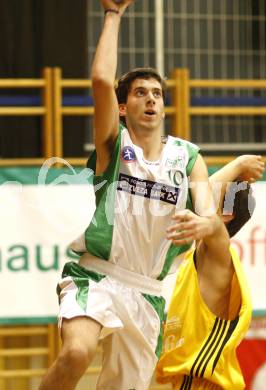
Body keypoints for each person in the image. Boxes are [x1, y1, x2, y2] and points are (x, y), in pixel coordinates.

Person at [39, 1, 220, 389]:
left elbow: (209, 216)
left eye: (157, 93)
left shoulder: (188, 158)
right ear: (123, 107)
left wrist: (201, 223)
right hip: (97, 275)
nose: (151, 99)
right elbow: (102, 82)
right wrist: (113, 15)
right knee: (76, 352)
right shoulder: (114, 145)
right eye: (140, 93)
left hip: (148, 292)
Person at [156, 155, 265, 390]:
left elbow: (207, 207)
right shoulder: (197, 256)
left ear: (226, 214)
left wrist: (239, 165)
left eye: (215, 196)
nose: (203, 198)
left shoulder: (217, 252)